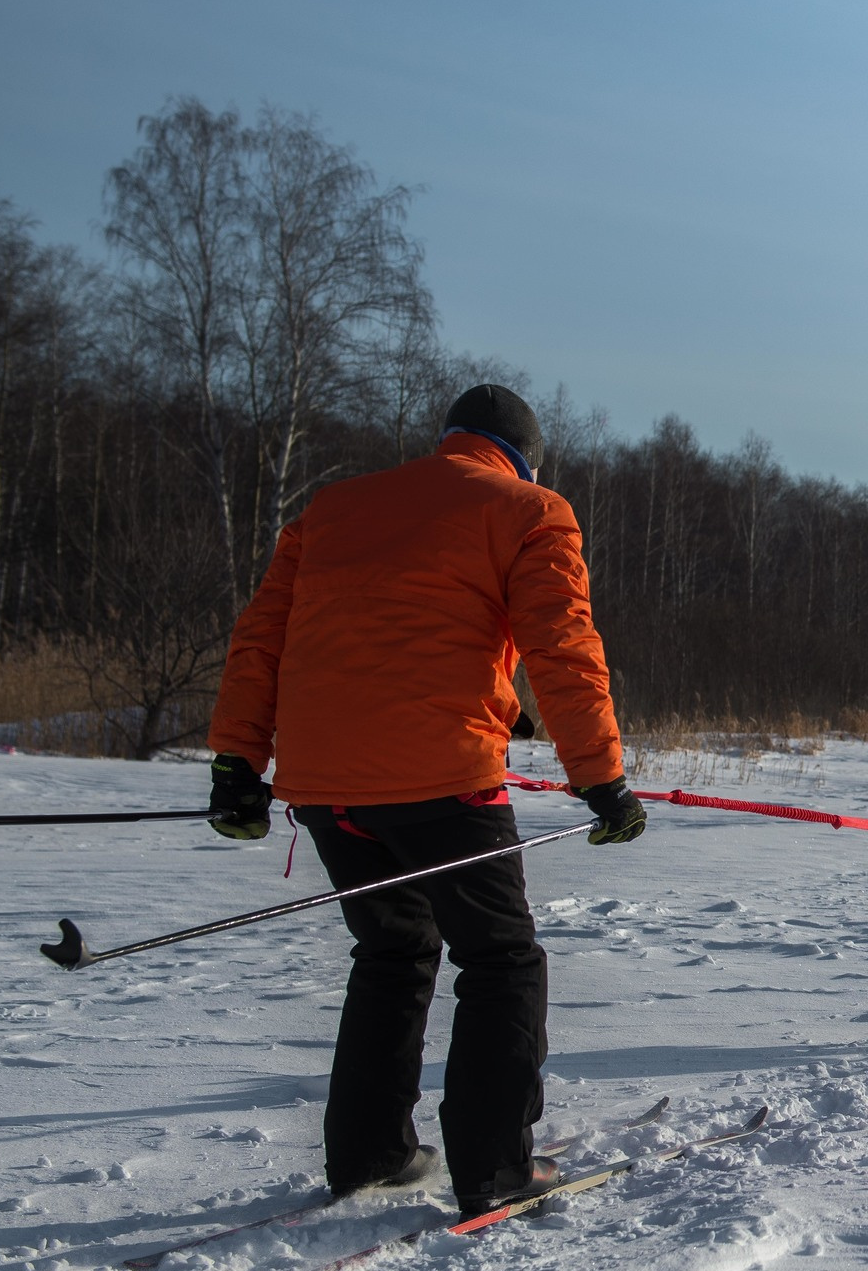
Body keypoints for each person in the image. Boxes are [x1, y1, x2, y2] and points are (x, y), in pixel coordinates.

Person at [204, 385, 650, 1215]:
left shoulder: (331, 509)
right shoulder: (529, 508)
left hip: (325, 786)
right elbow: (565, 647)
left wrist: (238, 763)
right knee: (500, 959)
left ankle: (371, 1155)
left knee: (392, 952)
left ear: (449, 439)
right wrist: (602, 778)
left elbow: (260, 636)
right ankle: (492, 1168)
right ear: (524, 453)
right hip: (443, 778)